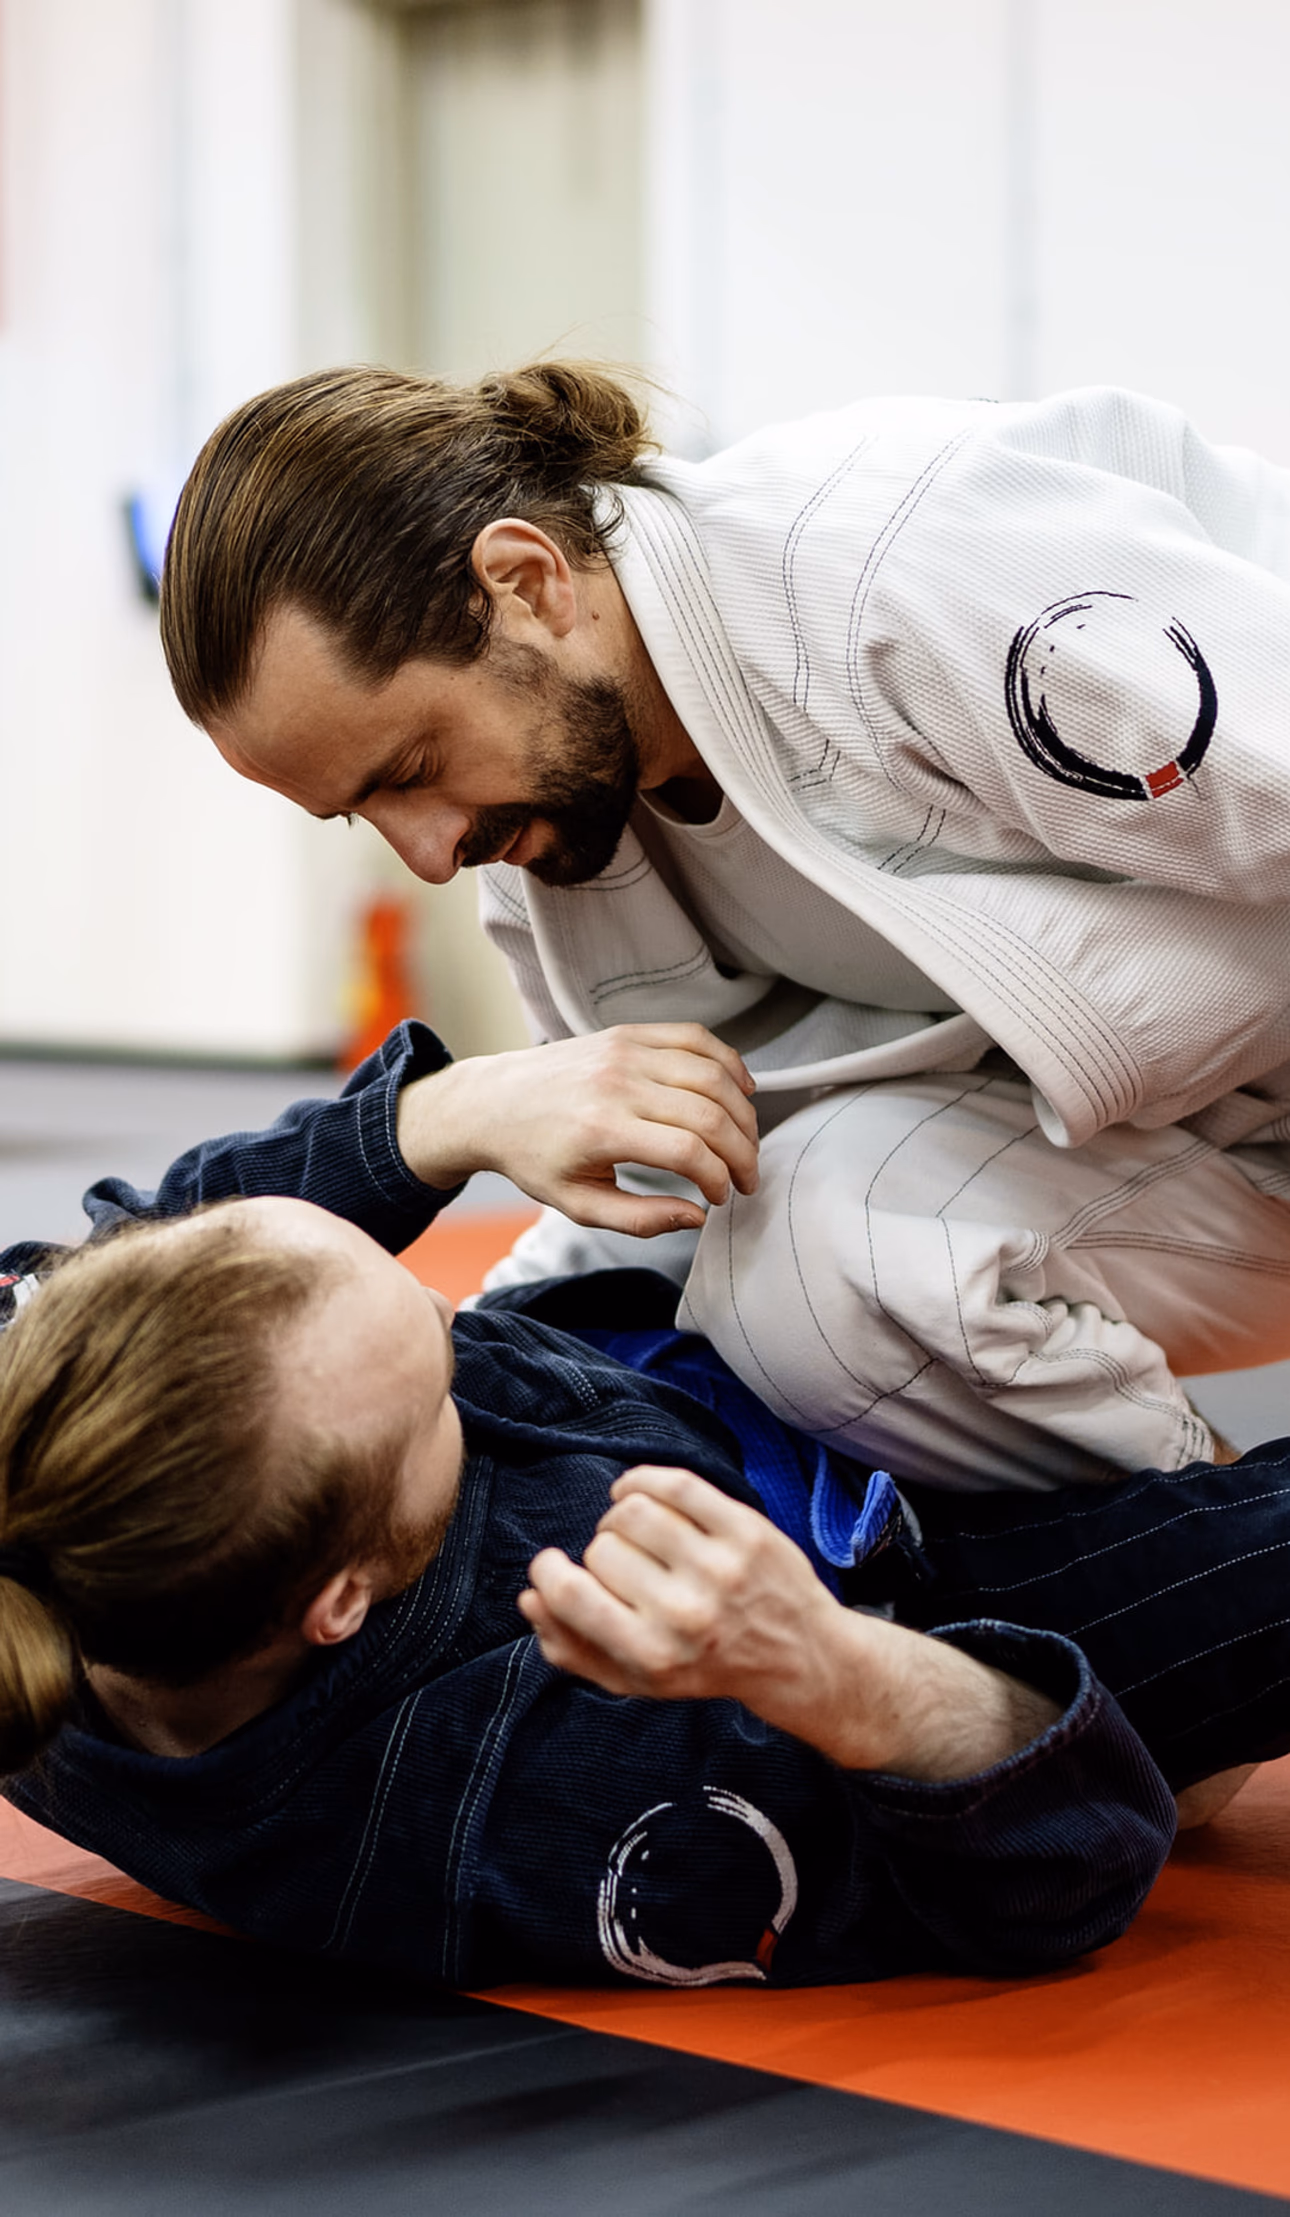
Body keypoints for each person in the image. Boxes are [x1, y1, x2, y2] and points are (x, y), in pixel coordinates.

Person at [157, 361, 1290, 1491]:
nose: (427, 852)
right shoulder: (547, 836)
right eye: (364, 814)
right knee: (812, 1276)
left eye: (412, 767)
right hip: (1189, 1159)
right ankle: (1219, 1549)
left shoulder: (897, 572)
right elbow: (671, 1184)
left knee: (825, 1256)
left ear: (527, 582)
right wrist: (455, 1390)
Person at [1, 1034, 1286, 1992]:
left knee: (765, 1078)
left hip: (629, 1372)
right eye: (436, 1379)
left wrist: (444, 1119)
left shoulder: (53, 1409)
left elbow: (155, 1234)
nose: (437, 1323)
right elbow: (1059, 1864)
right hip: (903, 1605)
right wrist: (840, 1672)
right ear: (344, 1596)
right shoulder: (511, 1800)